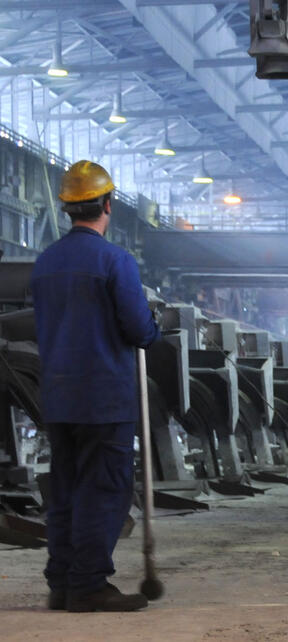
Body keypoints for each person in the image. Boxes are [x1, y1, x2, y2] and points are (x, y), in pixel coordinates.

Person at [31, 161, 160, 612]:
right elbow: (139, 329)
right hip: (104, 397)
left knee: (65, 489)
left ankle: (62, 583)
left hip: (58, 396)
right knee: (102, 489)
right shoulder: (114, 260)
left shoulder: (45, 263)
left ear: (67, 208)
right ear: (108, 205)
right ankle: (87, 585)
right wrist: (154, 326)